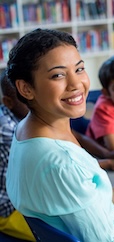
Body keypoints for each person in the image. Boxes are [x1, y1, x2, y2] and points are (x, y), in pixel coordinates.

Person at [5, 28, 114, 241]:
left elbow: (62, 202)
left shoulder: (24, 133)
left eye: (79, 69)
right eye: (58, 75)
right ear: (26, 88)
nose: (77, 85)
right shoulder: (62, 162)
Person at [0, 71, 35, 241]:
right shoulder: (8, 130)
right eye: (24, 99)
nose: (34, 102)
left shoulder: (15, 116)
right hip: (7, 209)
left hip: (22, 197)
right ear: (8, 102)